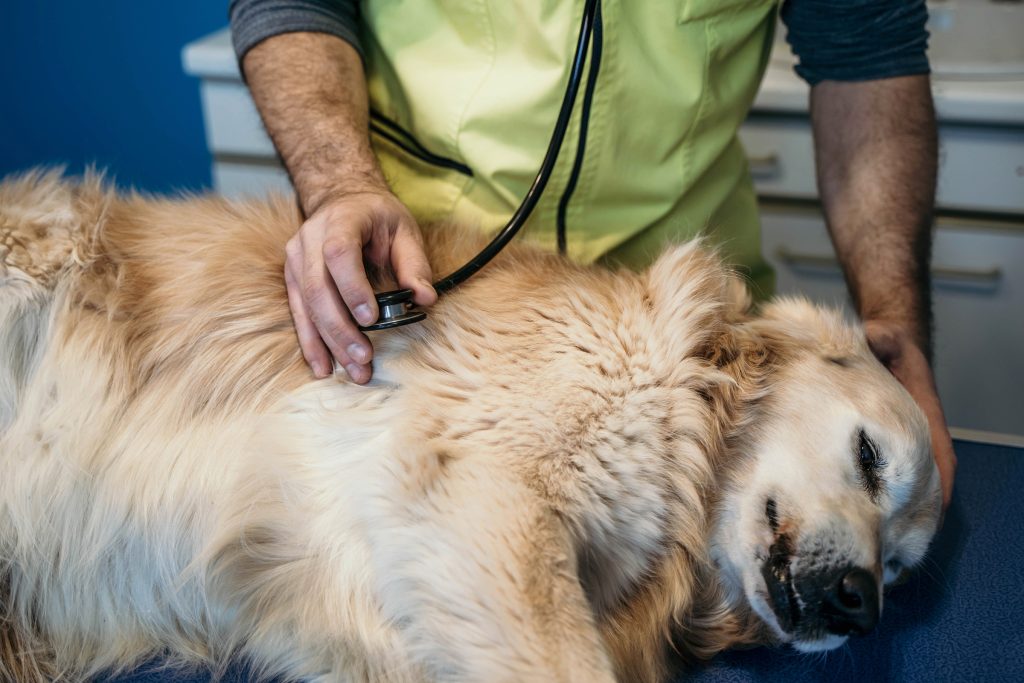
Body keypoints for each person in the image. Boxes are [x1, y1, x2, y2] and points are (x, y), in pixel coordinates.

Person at [228, 0, 955, 508]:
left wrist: (895, 324)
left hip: (693, 348)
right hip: (430, 301)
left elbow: (868, 55)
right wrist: (340, 185)